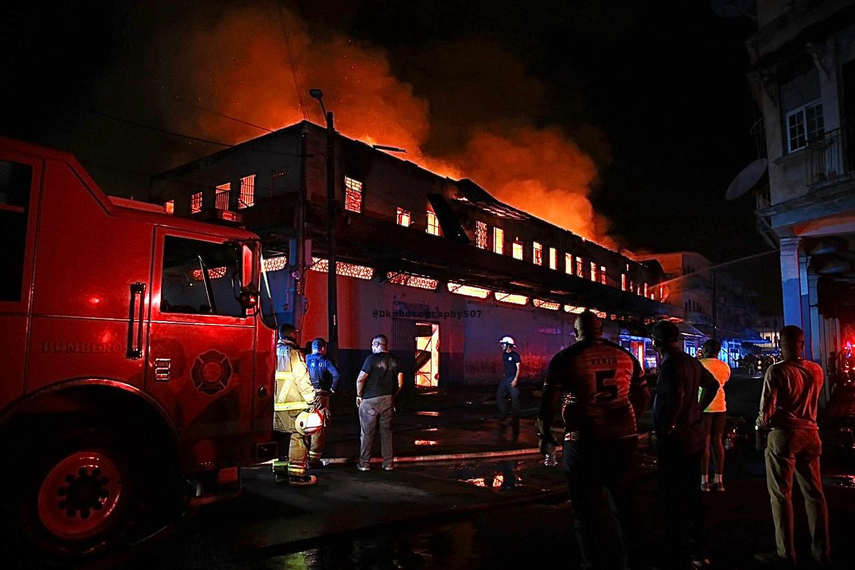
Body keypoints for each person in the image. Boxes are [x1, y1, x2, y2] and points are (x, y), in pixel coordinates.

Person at [536, 311, 650, 570]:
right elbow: (643, 395)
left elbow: (547, 407)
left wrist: (545, 436)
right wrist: (628, 419)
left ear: (576, 332)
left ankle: (592, 562)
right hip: (622, 438)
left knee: (585, 510)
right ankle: (633, 561)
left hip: (582, 439)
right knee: (624, 504)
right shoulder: (626, 356)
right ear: (601, 330)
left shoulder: (566, 359)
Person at [754, 326, 831, 568]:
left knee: (781, 496)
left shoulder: (776, 371)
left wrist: (759, 431)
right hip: (811, 434)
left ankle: (786, 553)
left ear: (781, 344)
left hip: (784, 435)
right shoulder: (816, 370)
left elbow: (766, 409)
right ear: (802, 343)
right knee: (815, 495)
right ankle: (822, 551)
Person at [650, 320, 719, 570]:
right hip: (694, 437)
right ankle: (699, 552)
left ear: (658, 342)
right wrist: (698, 410)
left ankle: (677, 555)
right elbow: (713, 385)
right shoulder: (692, 362)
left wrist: (669, 425)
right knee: (692, 496)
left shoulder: (670, 365)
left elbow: (677, 395)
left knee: (671, 498)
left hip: (676, 440)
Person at [273, 324, 319, 486]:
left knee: (280, 439)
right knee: (297, 437)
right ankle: (297, 476)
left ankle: (280, 472)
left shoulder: (272, 351)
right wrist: (312, 399)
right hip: (292, 405)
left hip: (274, 406)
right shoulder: (294, 354)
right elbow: (302, 379)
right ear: (292, 334)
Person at [356, 334, 404, 471]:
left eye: (372, 344)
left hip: (369, 401)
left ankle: (364, 463)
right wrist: (392, 396)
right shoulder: (396, 361)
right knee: (386, 432)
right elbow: (400, 383)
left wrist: (359, 395)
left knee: (367, 432)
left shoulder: (371, 359)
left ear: (377, 345)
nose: (371, 347)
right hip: (388, 400)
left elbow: (360, 379)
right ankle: (388, 463)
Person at [699, 339, 731, 492]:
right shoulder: (724, 366)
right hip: (720, 406)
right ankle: (719, 480)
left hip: (704, 408)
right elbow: (725, 382)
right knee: (717, 442)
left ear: (705, 349)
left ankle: (704, 481)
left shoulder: (700, 364)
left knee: (704, 443)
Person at [306, 337, 340, 466]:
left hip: (306, 395)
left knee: (304, 424)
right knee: (319, 425)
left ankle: (301, 455)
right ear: (323, 348)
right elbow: (336, 375)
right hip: (322, 395)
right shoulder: (326, 360)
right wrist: (332, 389)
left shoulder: (306, 359)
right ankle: (314, 458)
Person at [496, 336, 521, 421]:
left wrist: (515, 379)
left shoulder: (515, 355)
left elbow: (519, 368)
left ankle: (515, 417)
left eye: (503, 344)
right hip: (506, 378)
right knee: (500, 395)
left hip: (512, 378)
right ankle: (504, 413)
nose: (502, 346)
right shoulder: (504, 355)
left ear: (508, 345)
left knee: (514, 398)